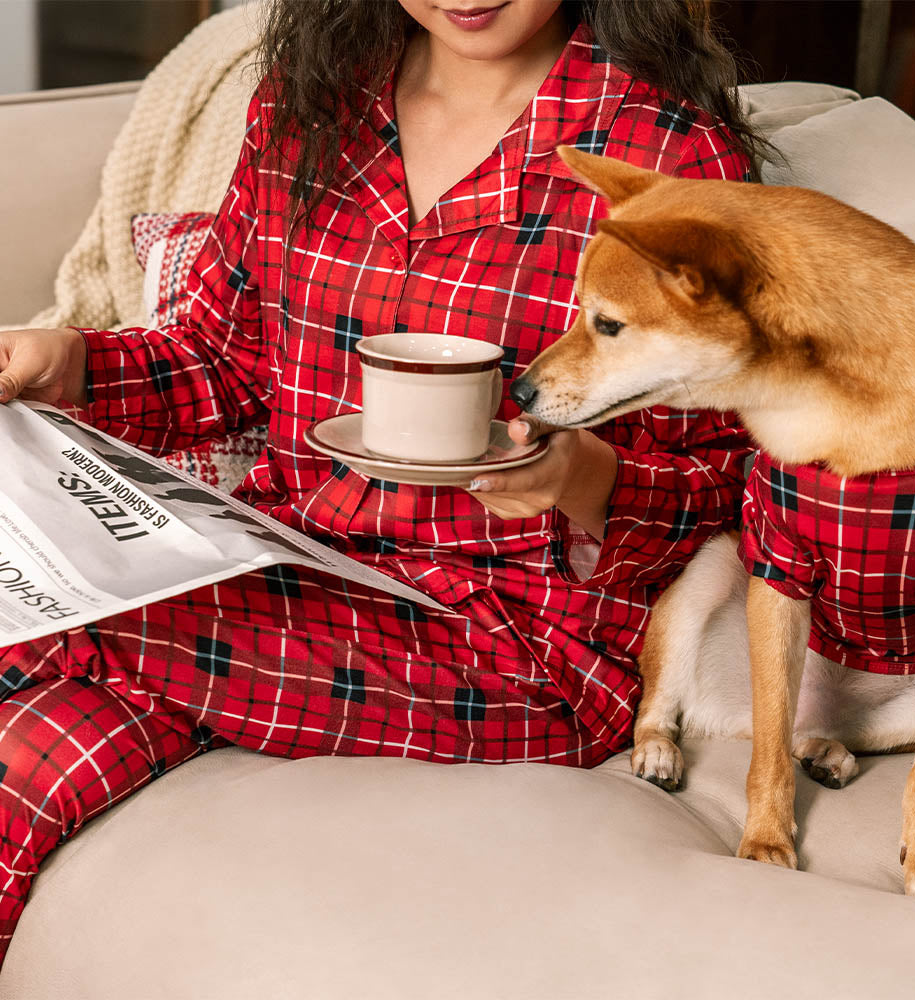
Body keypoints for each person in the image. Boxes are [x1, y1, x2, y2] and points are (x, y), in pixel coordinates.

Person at [0, 0, 756, 962]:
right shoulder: (309, 106)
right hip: (285, 567)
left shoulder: (668, 157)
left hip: (511, 641)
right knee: (28, 756)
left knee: (76, 614)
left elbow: (730, 477)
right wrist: (67, 363)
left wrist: (578, 473)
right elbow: (224, 362)